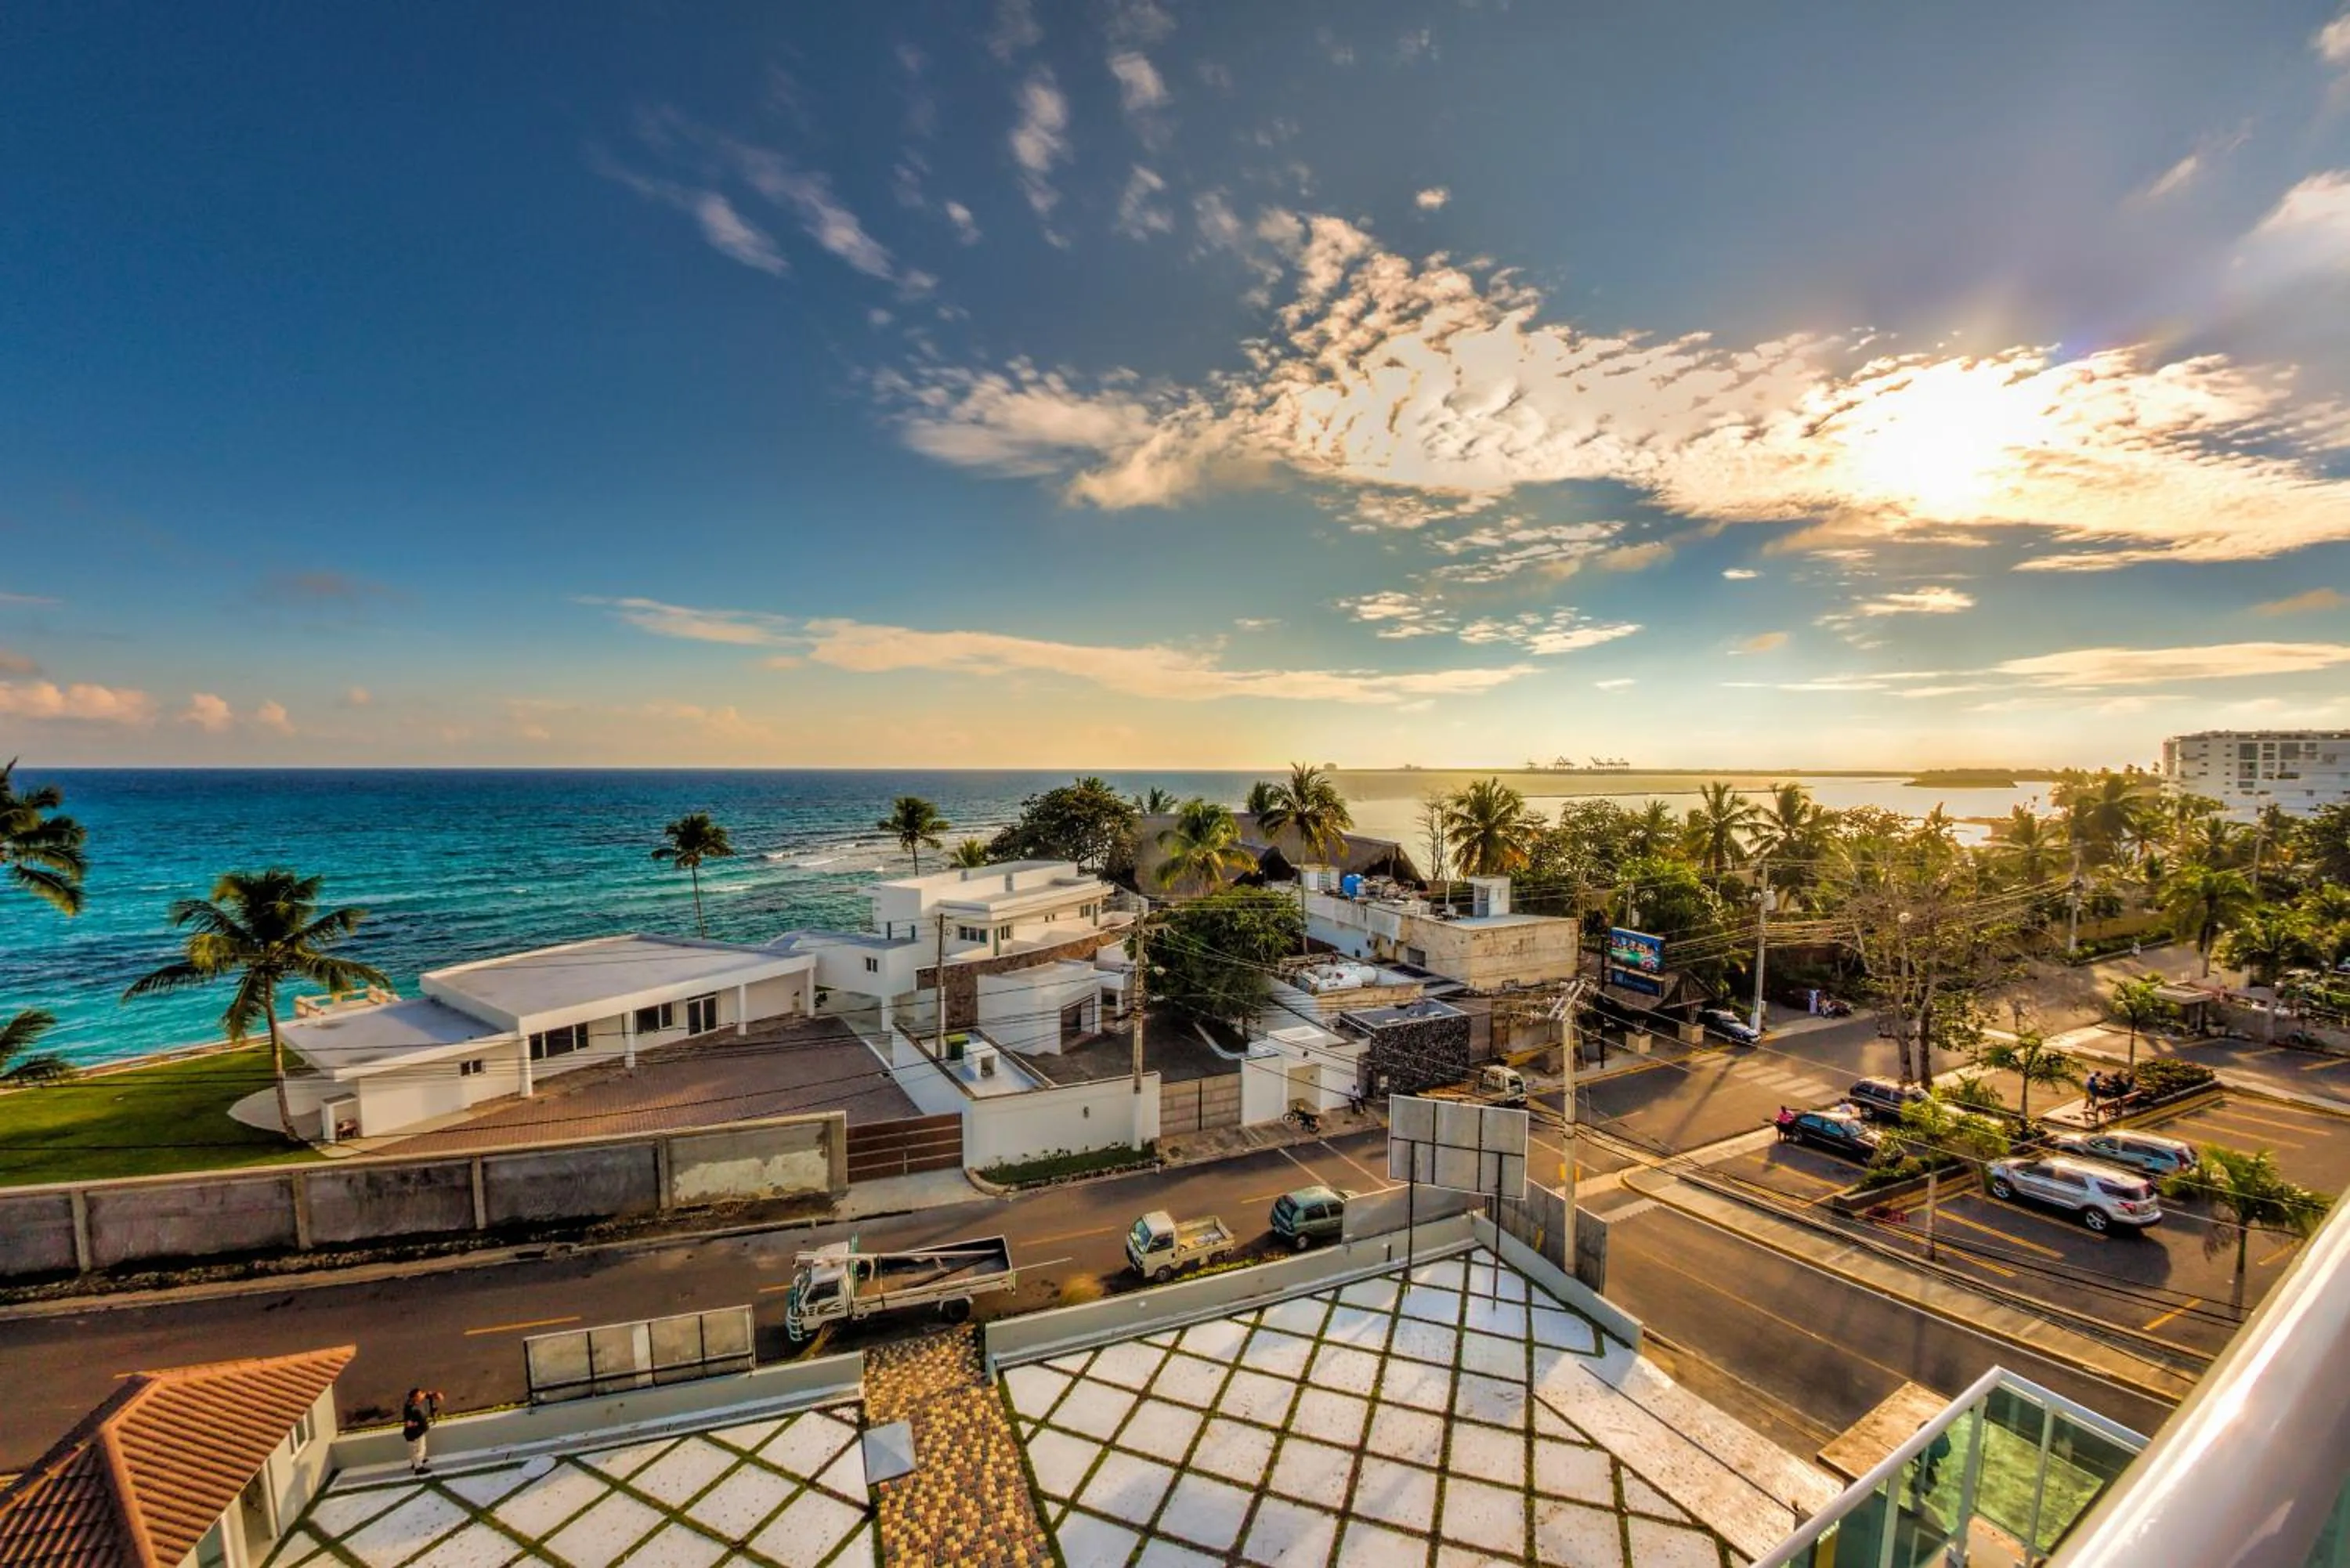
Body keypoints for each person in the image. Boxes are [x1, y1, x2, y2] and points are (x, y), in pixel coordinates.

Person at [403, 1387, 443, 1474]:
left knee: (414, 1450)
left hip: (417, 1432)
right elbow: (408, 1423)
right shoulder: (410, 1408)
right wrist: (416, 1424)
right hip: (415, 1433)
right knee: (419, 1450)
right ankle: (418, 1467)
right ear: (415, 1397)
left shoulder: (416, 1401)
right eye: (420, 1395)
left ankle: (415, 1462)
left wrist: (436, 1394)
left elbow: (428, 1394)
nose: (422, 1396)